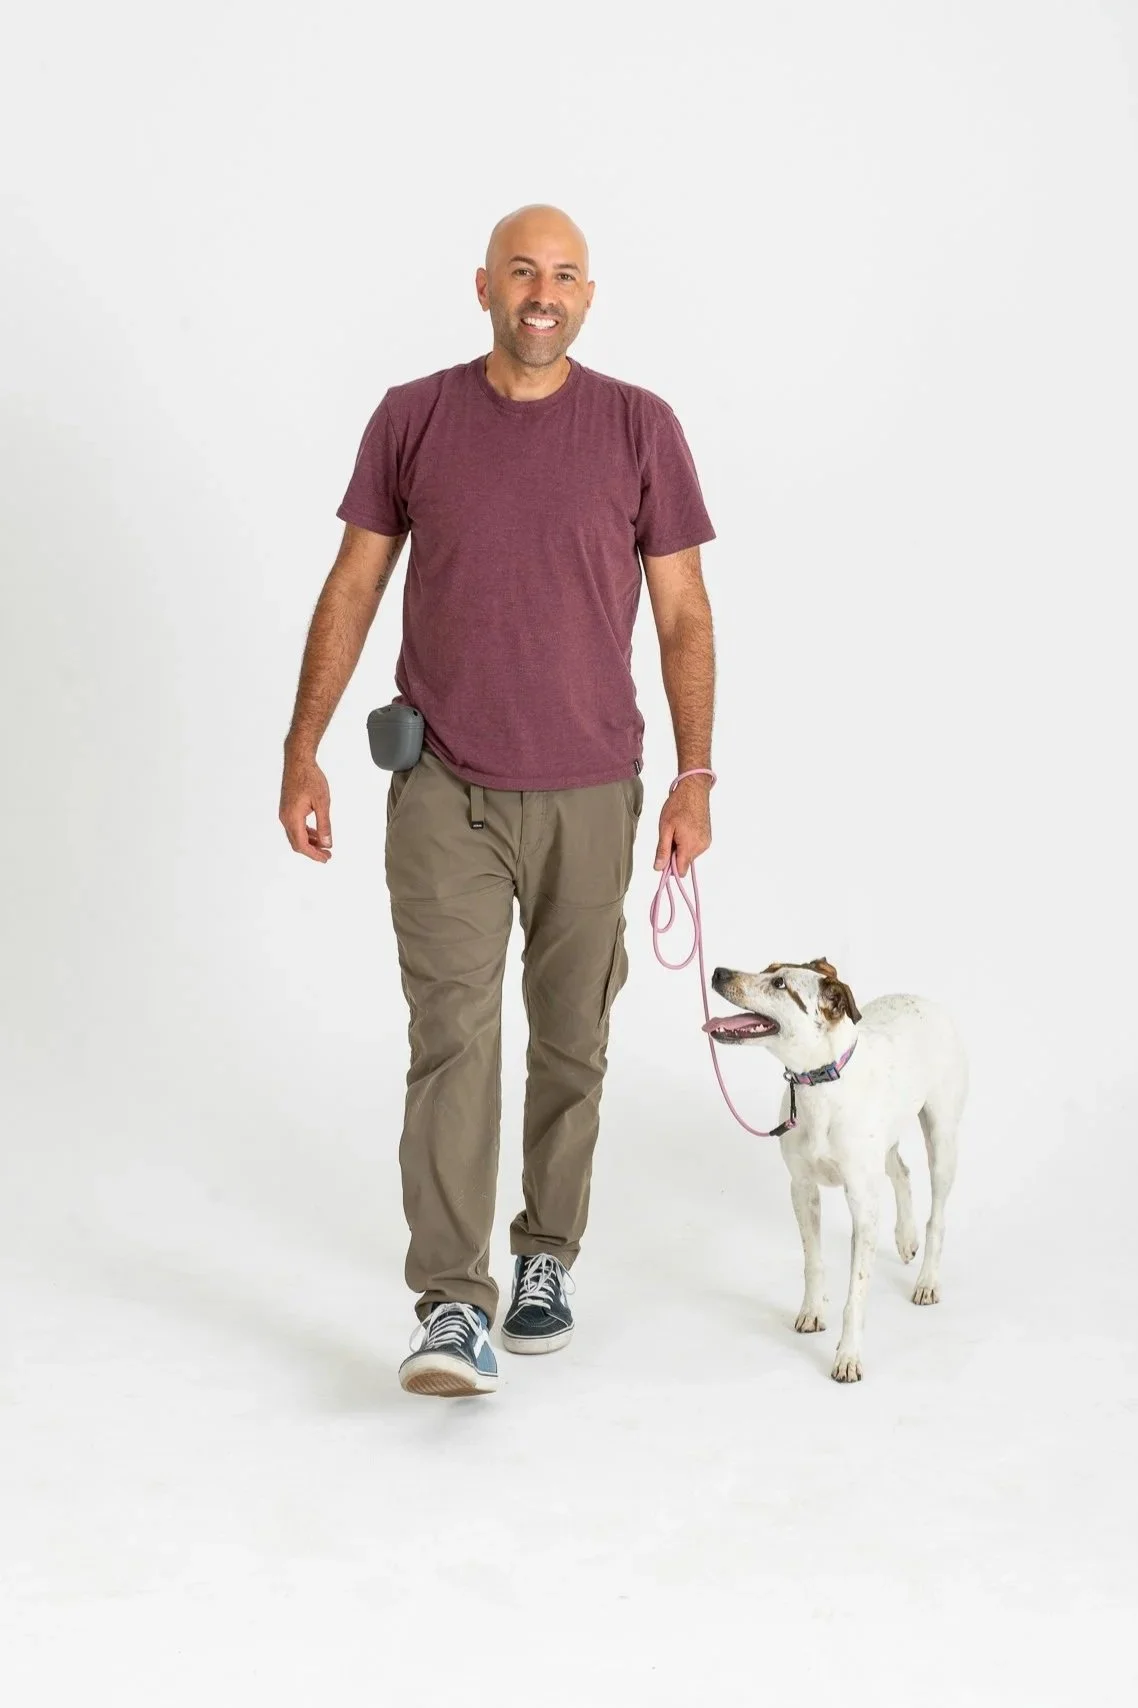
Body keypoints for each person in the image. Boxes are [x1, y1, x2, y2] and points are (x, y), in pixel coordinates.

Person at [279, 204, 716, 1398]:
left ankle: (544, 1259)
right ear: (483, 286)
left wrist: (694, 774)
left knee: (573, 1038)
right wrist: (303, 747)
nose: (542, 293)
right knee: (453, 1038)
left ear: (589, 295)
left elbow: (682, 611)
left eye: (564, 274)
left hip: (592, 788)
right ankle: (450, 1302)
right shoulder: (413, 415)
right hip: (444, 788)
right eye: (522, 271)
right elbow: (355, 582)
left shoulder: (638, 424)